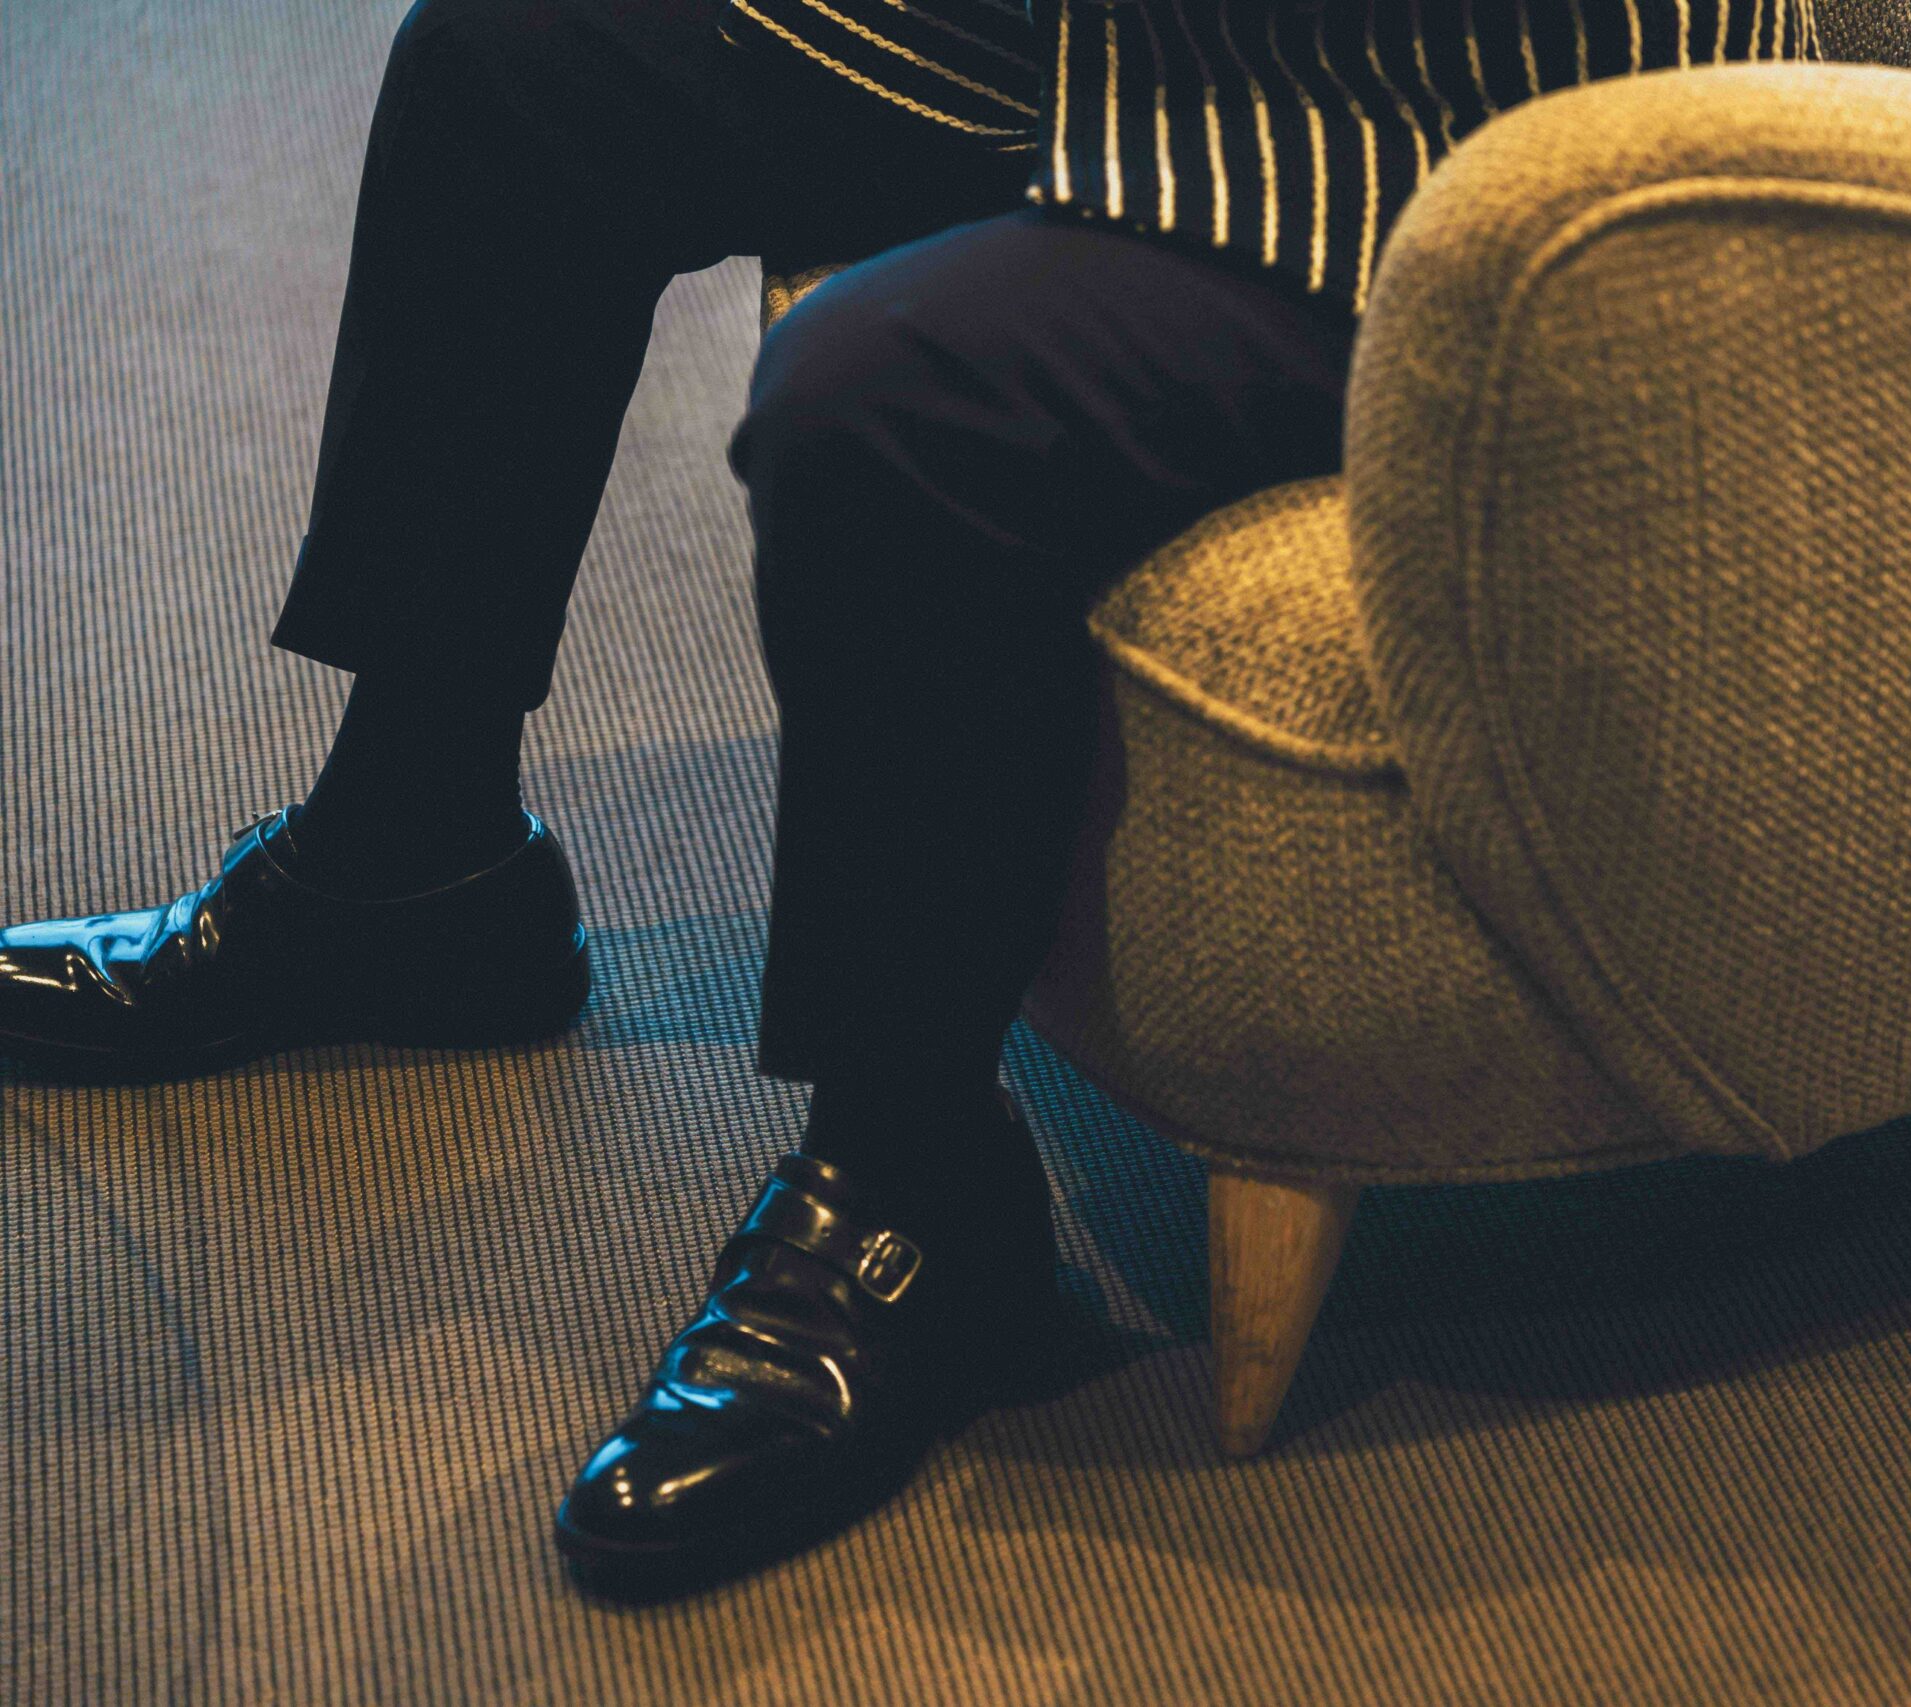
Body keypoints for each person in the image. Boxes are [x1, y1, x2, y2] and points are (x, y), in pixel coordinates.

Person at [0, 0, 1815, 1599]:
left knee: (886, 393)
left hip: (1439, 132)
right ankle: (413, 862)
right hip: (1119, 50)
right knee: (514, 62)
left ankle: (917, 1183)